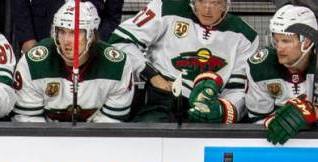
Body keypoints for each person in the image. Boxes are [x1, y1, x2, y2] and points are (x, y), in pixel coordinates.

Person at [110, 0, 259, 123]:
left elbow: (240, 89)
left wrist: (222, 109)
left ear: (226, 4)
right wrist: (151, 74)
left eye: (215, 2)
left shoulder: (246, 36)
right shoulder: (164, 8)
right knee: (146, 145)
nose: (207, 9)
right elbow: (120, 42)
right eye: (201, 1)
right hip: (161, 102)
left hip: (207, 109)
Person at [13, 0, 135, 122]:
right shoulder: (32, 64)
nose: (66, 41)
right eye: (61, 31)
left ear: (91, 35)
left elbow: (109, 126)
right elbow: (28, 122)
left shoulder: (117, 67)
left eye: (75, 33)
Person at [246, 3, 317, 144]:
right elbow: (256, 120)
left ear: (307, 41)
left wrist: (313, 111)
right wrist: (272, 121)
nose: (279, 47)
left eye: (286, 41)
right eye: (276, 40)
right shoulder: (260, 66)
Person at [10, 0, 123, 55]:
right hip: (42, 34)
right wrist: (27, 39)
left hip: (92, 40)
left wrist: (97, 42)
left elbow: (113, 14)